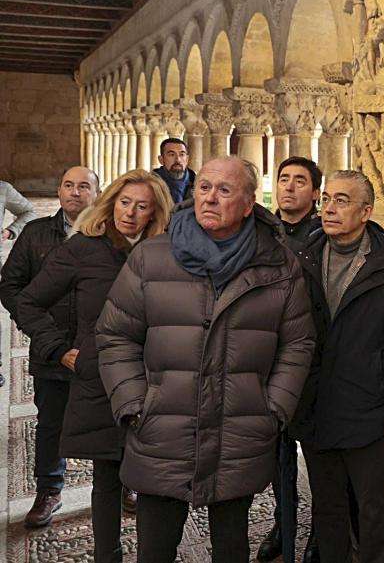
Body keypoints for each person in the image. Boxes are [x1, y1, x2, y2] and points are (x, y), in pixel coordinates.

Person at [96, 156, 315, 563]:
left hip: (240, 429)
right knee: (155, 549)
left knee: (232, 549)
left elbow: (298, 343)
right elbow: (115, 335)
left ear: (249, 204)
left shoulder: (277, 264)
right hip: (162, 427)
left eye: (225, 190)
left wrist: (273, 408)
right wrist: (132, 403)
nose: (210, 198)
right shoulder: (151, 257)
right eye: (204, 188)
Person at [17, 170, 172, 562]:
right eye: (124, 203)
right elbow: (28, 301)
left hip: (156, 379)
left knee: (153, 480)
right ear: (111, 201)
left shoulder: (169, 250)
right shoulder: (84, 248)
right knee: (106, 479)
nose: (130, 213)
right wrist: (59, 349)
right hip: (99, 379)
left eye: (141, 206)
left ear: (155, 212)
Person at [290, 170, 384, 563]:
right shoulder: (305, 256)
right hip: (315, 403)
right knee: (327, 506)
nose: (329, 208)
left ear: (366, 211)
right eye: (327, 199)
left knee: (369, 506)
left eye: (342, 201)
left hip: (369, 405)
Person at [0, 166, 100, 527]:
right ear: (59, 191)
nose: (75, 192)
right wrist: (42, 334)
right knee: (51, 423)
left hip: (99, 353)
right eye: (68, 185)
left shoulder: (110, 237)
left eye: (84, 186)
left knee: (112, 421)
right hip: (50, 349)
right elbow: (10, 286)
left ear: (97, 193)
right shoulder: (37, 233)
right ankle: (49, 490)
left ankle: (122, 485)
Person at [258, 154, 325, 563]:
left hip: (314, 365)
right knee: (276, 458)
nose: (289, 186)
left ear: (315, 193)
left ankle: (321, 533)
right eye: (284, 179)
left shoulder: (326, 234)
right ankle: (283, 526)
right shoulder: (261, 230)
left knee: (318, 462)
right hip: (267, 361)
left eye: (300, 181)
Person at [152, 138, 196, 205]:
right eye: (172, 155)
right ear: (161, 159)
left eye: (182, 155)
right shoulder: (150, 184)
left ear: (187, 159)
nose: (178, 160)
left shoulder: (198, 183)